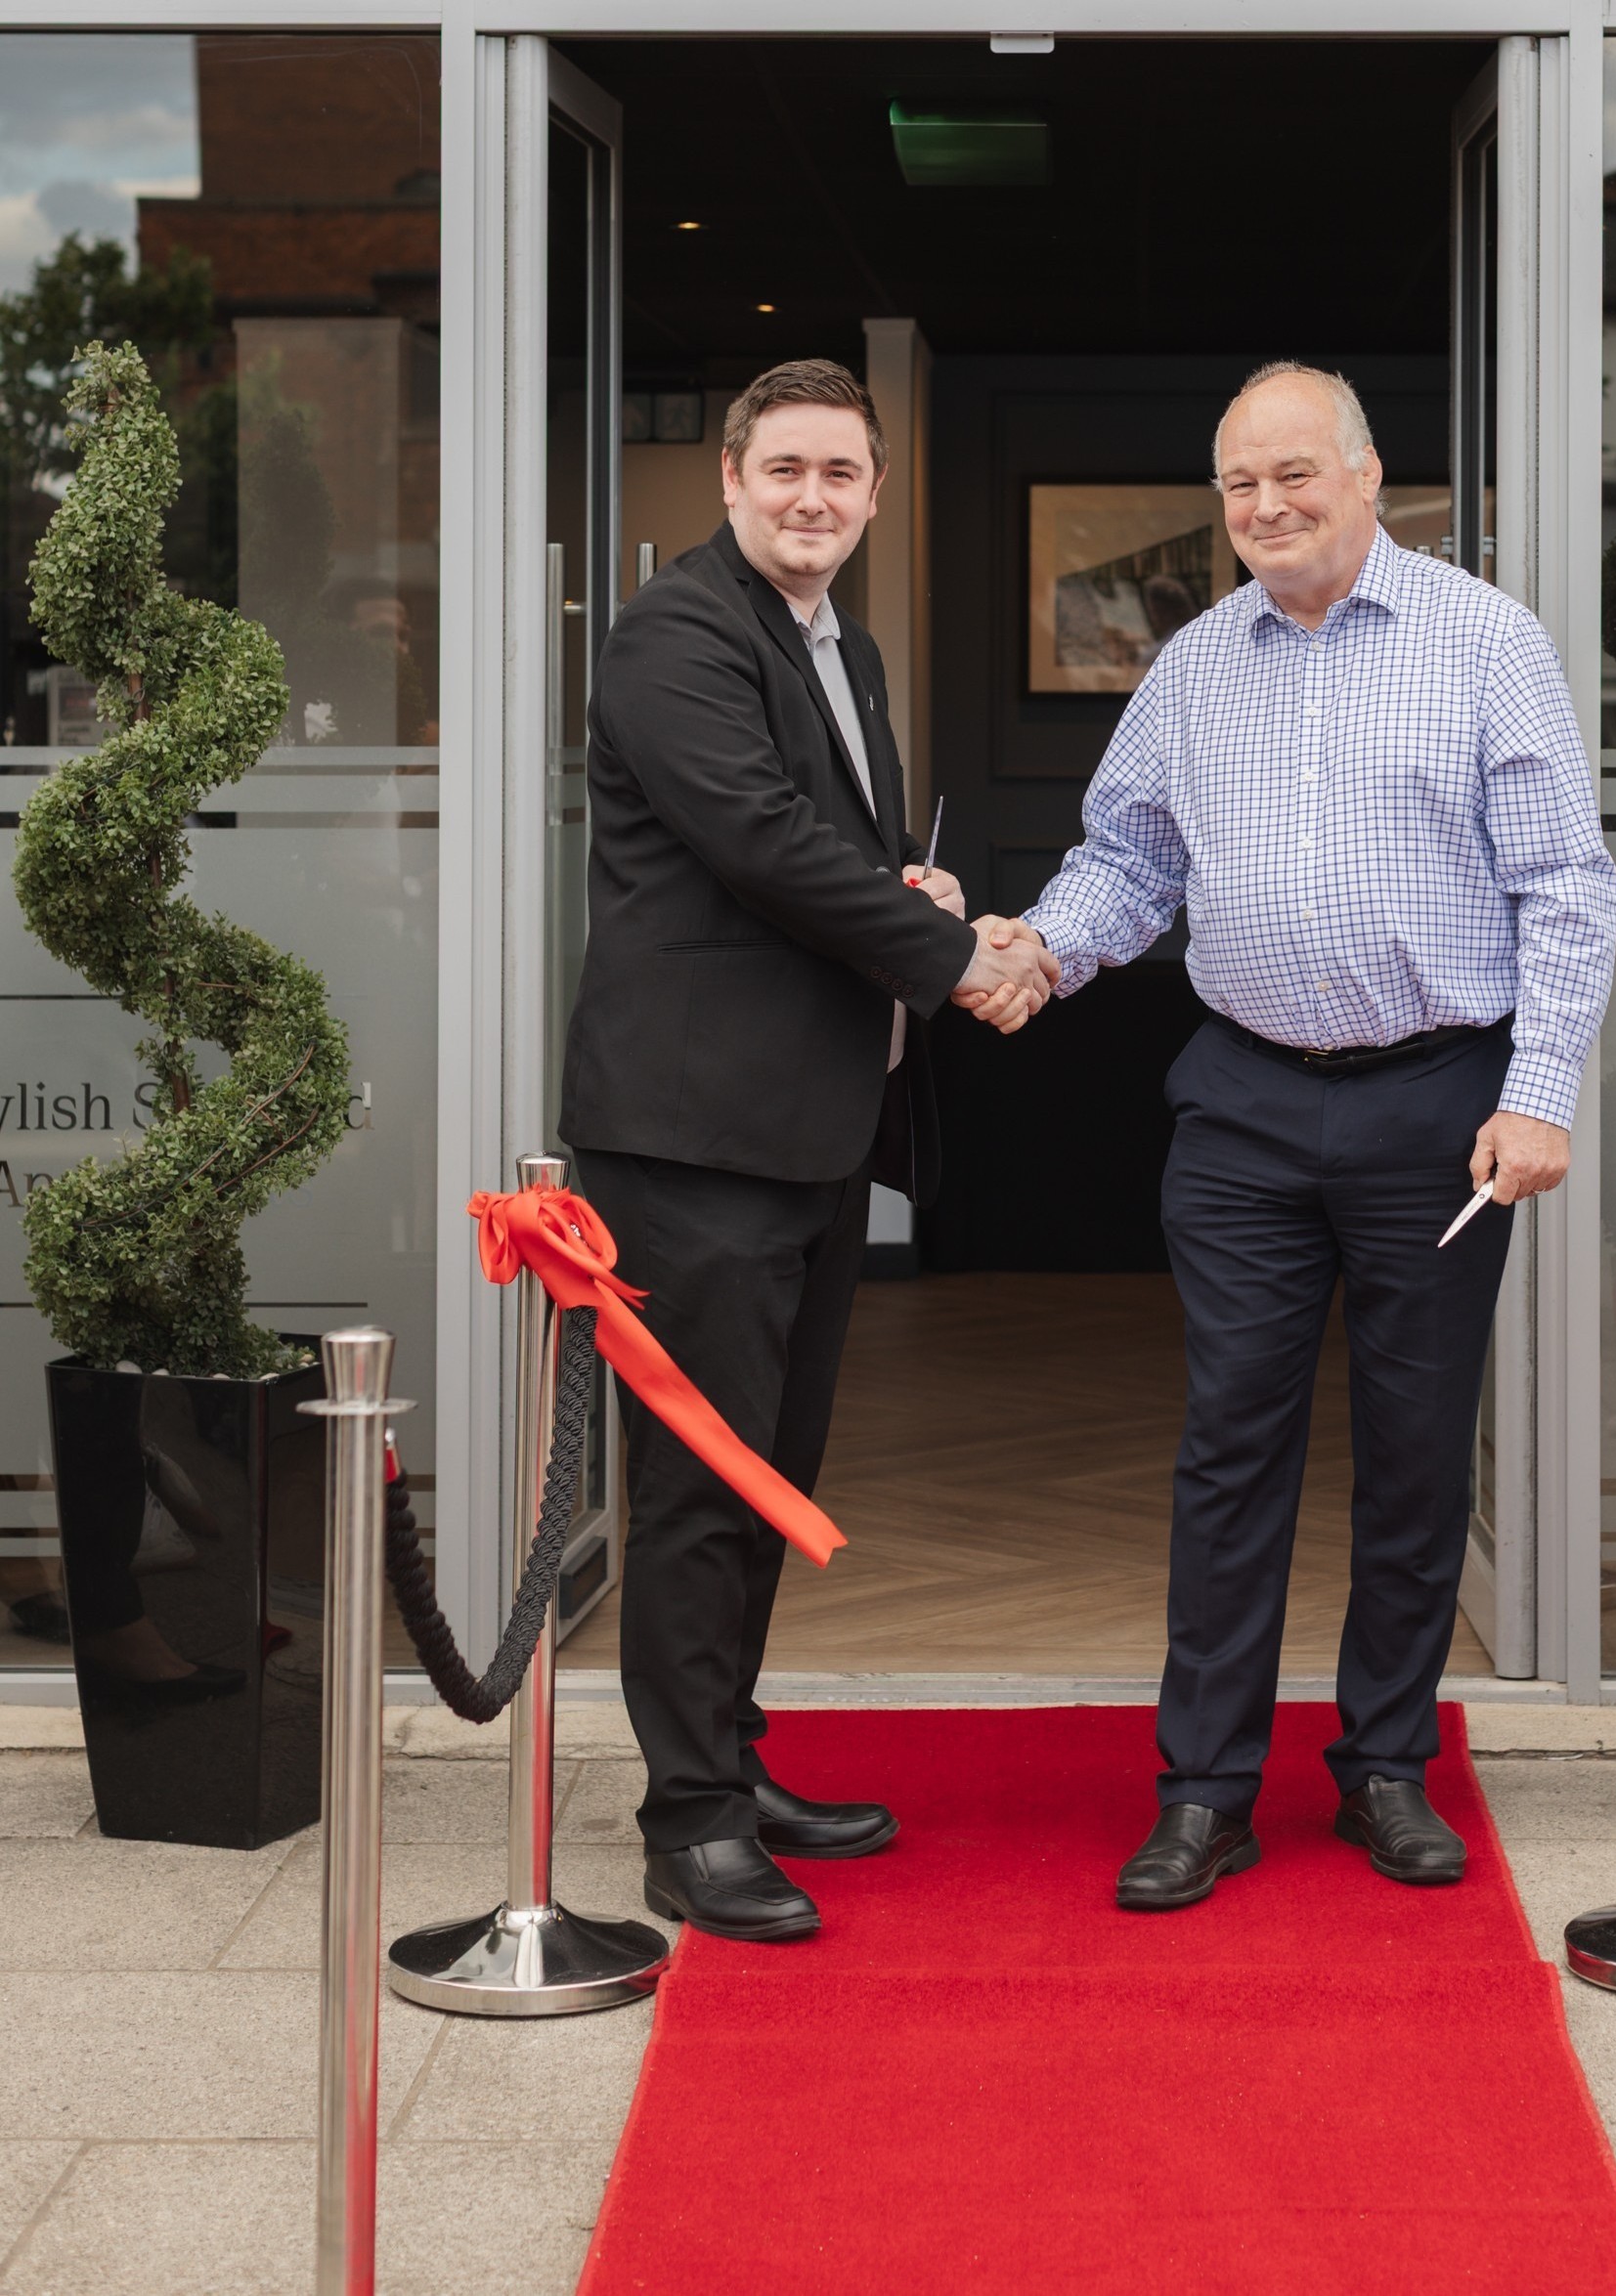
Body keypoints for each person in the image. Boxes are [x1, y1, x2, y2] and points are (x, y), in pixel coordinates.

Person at [999, 362, 1616, 1907]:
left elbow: (1565, 879)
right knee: (1231, 1449)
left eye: (1292, 475)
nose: (1265, 508)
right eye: (1237, 487)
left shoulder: (1485, 641)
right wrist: (1034, 953)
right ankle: (1204, 1787)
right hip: (1247, 1105)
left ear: (1363, 474)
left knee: (1414, 1457)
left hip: (1439, 1102)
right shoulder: (1196, 663)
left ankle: (1385, 1768)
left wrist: (1539, 1088)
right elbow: (1124, 859)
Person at [559, 359, 1054, 1943]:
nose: (812, 498)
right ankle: (688, 1822)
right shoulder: (676, 634)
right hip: (695, 1140)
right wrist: (954, 960)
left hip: (805, 1128)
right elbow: (758, 840)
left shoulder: (844, 646)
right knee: (706, 1484)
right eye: (784, 469)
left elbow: (816, 847)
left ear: (875, 492)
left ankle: (732, 1762)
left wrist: (904, 890)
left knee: (772, 1473)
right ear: (728, 476)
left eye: (841, 474)